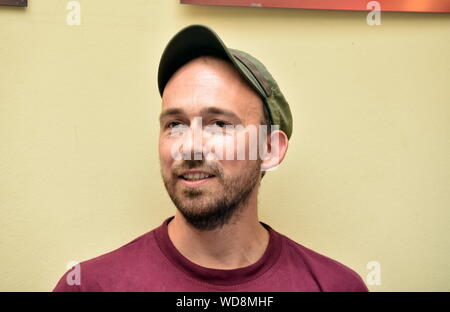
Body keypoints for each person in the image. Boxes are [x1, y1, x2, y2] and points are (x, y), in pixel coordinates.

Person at [53, 24, 368, 292]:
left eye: (219, 124)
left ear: (269, 149)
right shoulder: (90, 286)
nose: (190, 147)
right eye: (175, 124)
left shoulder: (335, 286)